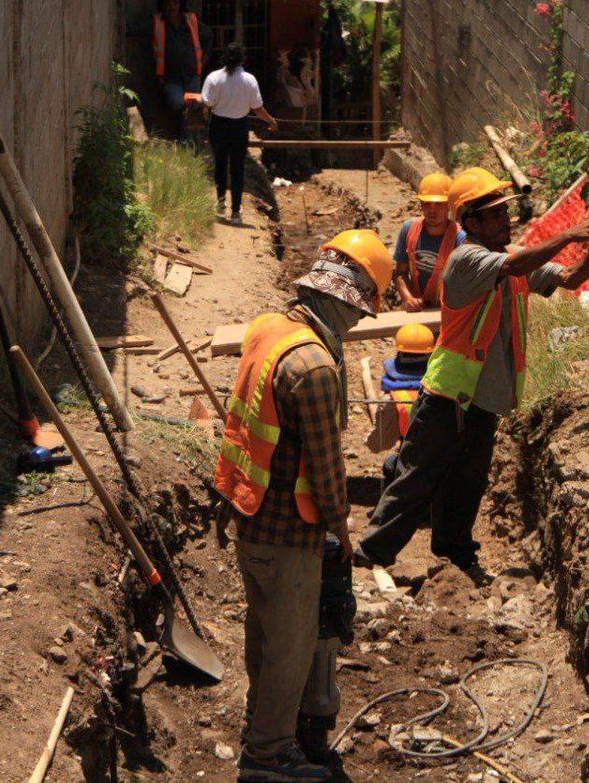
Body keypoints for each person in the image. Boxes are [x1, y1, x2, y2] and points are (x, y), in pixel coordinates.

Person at [354, 169, 589, 584]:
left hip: (484, 397)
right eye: (495, 215)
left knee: (468, 481)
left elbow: (569, 278)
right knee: (417, 475)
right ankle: (370, 554)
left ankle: (455, 555)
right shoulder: (466, 261)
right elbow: (515, 263)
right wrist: (570, 234)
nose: (506, 221)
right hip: (448, 393)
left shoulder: (507, 262)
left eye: (505, 213)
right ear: (472, 224)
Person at [214, 230, 393, 782]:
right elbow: (325, 465)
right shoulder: (315, 366)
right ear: (343, 299)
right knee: (290, 652)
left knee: (263, 637)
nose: (361, 322)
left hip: (248, 513)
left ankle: (261, 730)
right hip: (291, 531)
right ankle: (267, 758)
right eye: (361, 310)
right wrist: (340, 530)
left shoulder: (269, 330)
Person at [202, 44, 278, 226]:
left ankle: (221, 203)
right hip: (239, 127)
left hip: (218, 126)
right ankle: (236, 212)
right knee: (237, 169)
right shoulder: (249, 80)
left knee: (220, 164)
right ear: (242, 60)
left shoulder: (213, 77)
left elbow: (207, 103)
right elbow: (257, 108)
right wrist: (271, 121)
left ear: (224, 58)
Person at [393, 173, 468, 312]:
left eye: (438, 204)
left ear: (448, 205)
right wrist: (408, 298)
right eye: (427, 203)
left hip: (448, 311)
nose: (432, 210)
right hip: (418, 310)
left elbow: (466, 283)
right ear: (421, 204)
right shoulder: (408, 229)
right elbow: (400, 273)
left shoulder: (459, 238)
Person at [366, 324, 435, 457]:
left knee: (391, 464)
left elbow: (378, 445)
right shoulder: (442, 393)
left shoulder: (391, 401)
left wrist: (369, 440)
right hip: (442, 459)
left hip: (414, 462)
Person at [153, 0, 212, 139]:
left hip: (192, 75)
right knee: (177, 104)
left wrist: (203, 60)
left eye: (175, 3)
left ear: (180, 5)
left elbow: (208, 36)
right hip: (171, 78)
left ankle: (188, 144)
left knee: (193, 109)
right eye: (168, 3)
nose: (172, 7)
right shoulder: (158, 22)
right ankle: (184, 138)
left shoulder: (190, 20)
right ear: (163, 6)